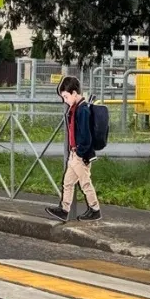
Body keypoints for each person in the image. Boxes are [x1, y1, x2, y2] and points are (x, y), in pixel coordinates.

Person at [46, 76, 101, 222]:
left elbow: (86, 135)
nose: (64, 100)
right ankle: (64, 209)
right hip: (75, 153)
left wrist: (80, 152)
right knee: (68, 182)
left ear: (74, 93)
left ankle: (95, 209)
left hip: (80, 154)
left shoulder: (82, 110)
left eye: (65, 96)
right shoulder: (76, 107)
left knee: (85, 183)